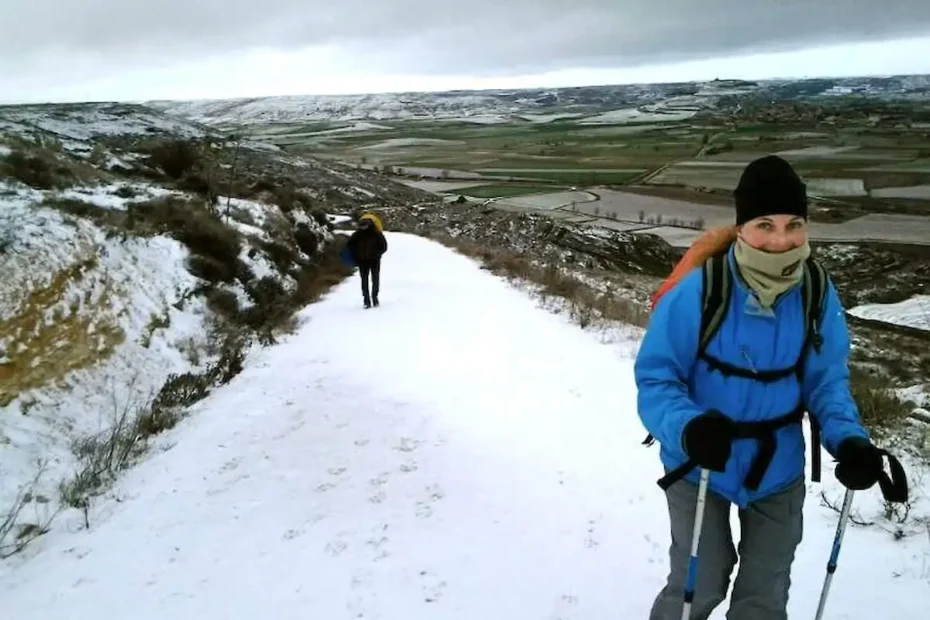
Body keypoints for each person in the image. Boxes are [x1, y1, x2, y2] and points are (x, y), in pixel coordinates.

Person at [634, 155, 904, 620]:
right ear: (742, 228)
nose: (781, 240)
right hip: (699, 462)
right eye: (765, 224)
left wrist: (849, 440)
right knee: (699, 582)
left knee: (765, 594)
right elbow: (657, 379)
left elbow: (826, 382)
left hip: (778, 468)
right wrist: (689, 428)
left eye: (793, 224)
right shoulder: (701, 291)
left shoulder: (816, 293)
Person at [345, 215, 387, 308]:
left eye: (364, 226)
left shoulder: (377, 234)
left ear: (369, 225)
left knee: (374, 279)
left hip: (373, 261)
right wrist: (355, 256)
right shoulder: (357, 235)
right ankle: (366, 300)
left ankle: (375, 298)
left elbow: (384, 247)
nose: (363, 228)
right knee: (365, 281)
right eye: (361, 226)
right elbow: (349, 246)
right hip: (362, 261)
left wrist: (377, 254)